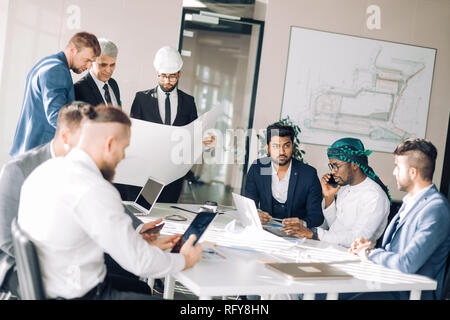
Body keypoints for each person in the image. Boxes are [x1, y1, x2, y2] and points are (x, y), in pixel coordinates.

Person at [17, 105, 202, 299]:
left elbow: (80, 235)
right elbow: (141, 264)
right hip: (83, 294)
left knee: (143, 290)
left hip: (56, 284)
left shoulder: (45, 171)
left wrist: (136, 242)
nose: (122, 157)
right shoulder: (93, 188)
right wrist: (185, 259)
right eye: (124, 149)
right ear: (109, 144)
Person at [349, 138, 450, 300]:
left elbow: (406, 263)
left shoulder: (436, 209)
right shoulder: (411, 201)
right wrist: (369, 249)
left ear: (412, 172)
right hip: (387, 284)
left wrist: (369, 253)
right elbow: (393, 251)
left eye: (397, 166)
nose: (394, 172)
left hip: (408, 293)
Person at [285, 137, 391, 248]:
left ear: (354, 164)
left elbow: (358, 238)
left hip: (354, 258)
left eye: (336, 166)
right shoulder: (345, 188)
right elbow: (336, 228)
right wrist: (329, 197)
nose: (332, 171)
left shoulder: (375, 196)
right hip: (332, 250)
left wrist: (315, 233)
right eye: (331, 166)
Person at [10, 32, 100, 157]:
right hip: (41, 153)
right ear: (73, 50)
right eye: (87, 60)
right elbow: (57, 116)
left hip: (30, 149)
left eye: (92, 61)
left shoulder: (47, 62)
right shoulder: (57, 70)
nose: (90, 66)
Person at [245, 123, 324, 229]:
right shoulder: (257, 168)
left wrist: (302, 223)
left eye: (286, 146)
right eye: (276, 146)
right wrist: (255, 214)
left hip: (297, 234)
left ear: (292, 146)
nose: (282, 152)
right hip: (264, 230)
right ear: (268, 148)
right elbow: (248, 206)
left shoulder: (309, 174)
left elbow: (317, 216)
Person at [74, 38, 121, 107]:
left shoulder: (113, 84)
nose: (108, 70)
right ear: (91, 61)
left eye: (112, 65)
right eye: (103, 65)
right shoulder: (79, 89)